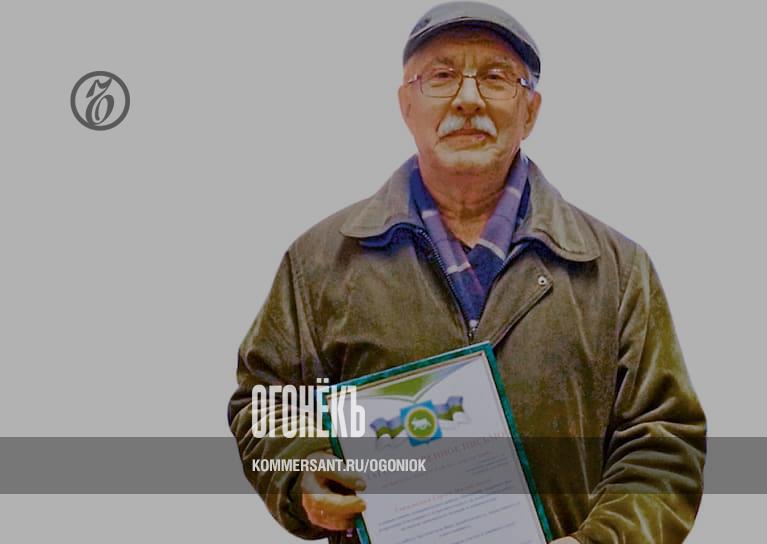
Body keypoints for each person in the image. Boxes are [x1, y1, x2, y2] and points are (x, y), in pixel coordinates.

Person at [228, 2, 706, 542]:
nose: (468, 99)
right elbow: (266, 403)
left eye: (496, 78)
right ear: (406, 105)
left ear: (530, 111)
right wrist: (302, 473)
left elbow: (664, 445)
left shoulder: (616, 270)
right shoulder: (319, 263)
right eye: (441, 76)